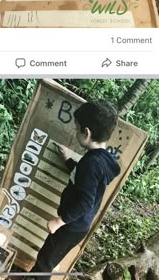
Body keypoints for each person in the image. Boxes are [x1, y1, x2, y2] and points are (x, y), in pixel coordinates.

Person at [30, 101, 121, 280]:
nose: (75, 131)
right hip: (78, 224)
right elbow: (85, 181)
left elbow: (85, 201)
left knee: (45, 262)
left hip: (71, 225)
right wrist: (68, 161)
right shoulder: (103, 160)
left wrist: (59, 221)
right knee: (48, 259)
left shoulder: (91, 163)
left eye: (77, 127)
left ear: (86, 132)